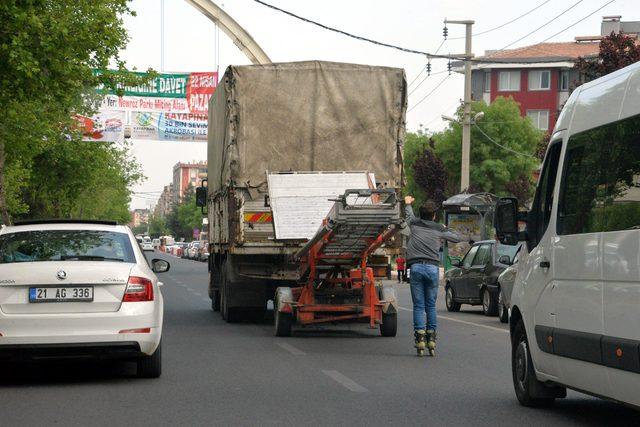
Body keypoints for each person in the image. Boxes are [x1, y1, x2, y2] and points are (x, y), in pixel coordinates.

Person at [404, 196, 466, 356]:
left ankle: (420, 339)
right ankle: (431, 338)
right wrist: (446, 227)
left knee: (418, 306)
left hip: (416, 267)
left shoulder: (415, 224)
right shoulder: (439, 228)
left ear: (421, 214)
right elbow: (457, 238)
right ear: (433, 216)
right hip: (432, 269)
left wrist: (408, 203)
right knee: (430, 306)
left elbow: (409, 215)